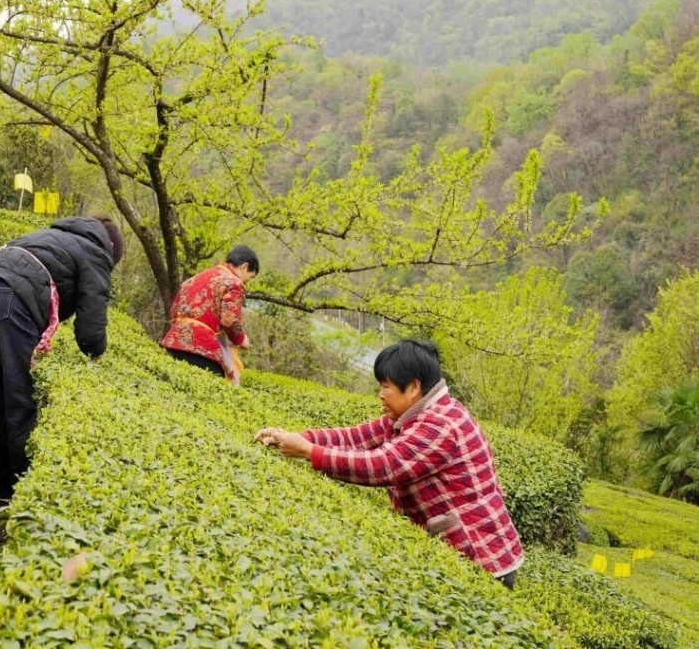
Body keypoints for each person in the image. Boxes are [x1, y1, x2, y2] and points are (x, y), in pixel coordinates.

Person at [254, 338, 523, 588]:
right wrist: (297, 438)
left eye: (385, 386)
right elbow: (356, 438)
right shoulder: (414, 414)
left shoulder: (440, 425)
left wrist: (309, 452)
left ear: (414, 387)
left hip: (484, 557)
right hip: (462, 543)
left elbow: (383, 466)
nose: (380, 395)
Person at [0, 214, 124, 500]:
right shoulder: (96, 251)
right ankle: (20, 496)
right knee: (21, 405)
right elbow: (90, 328)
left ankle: (5, 491)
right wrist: (95, 354)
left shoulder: (47, 236)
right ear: (111, 249)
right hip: (6, 299)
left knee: (0, 403)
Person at [160, 245, 258, 384]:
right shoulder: (234, 283)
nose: (247, 282)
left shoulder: (196, 278)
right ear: (244, 267)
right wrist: (241, 340)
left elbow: (174, 310)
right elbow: (230, 320)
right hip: (203, 353)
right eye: (250, 277)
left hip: (173, 344)